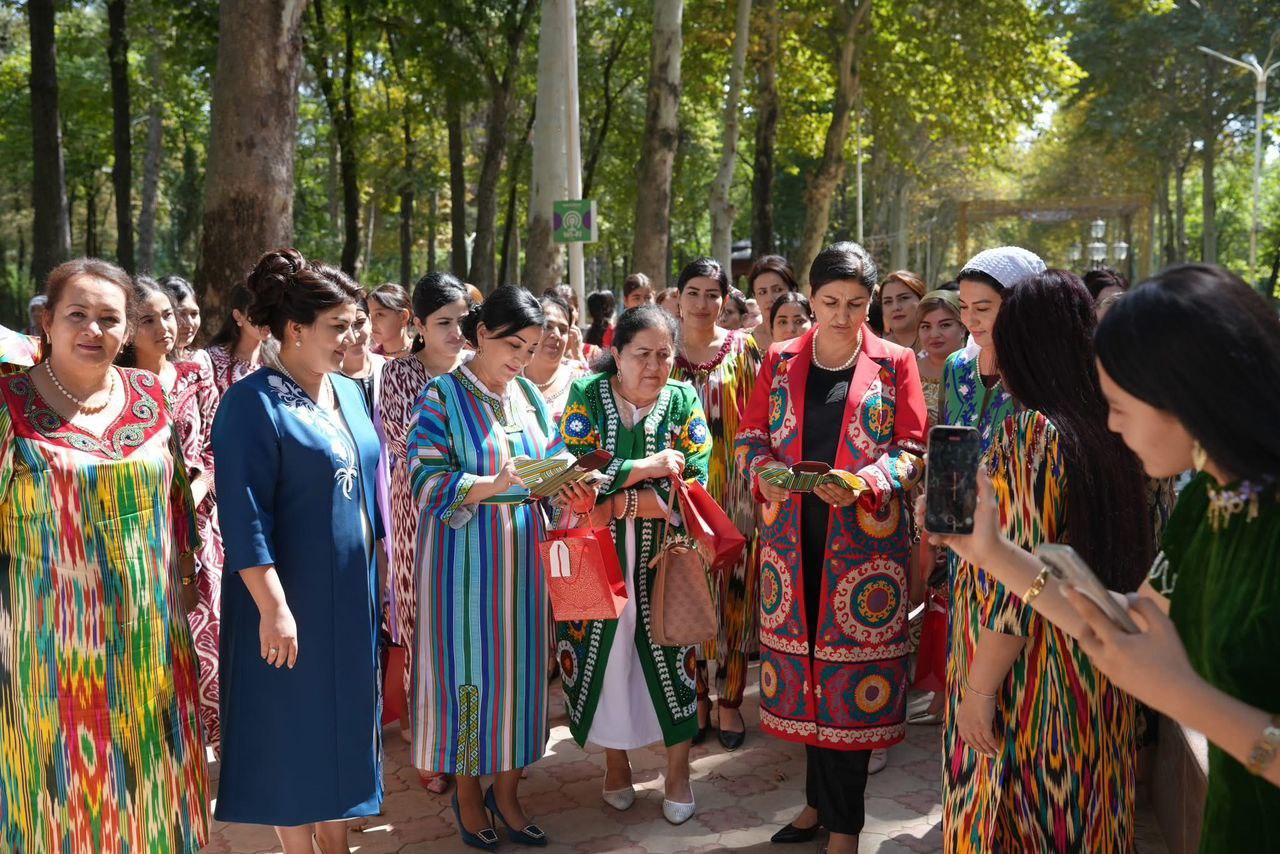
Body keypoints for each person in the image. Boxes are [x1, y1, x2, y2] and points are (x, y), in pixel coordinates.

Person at [928, 263, 1280, 853]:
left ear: (1185, 397)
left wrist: (1183, 695)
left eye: (1120, 402)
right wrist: (992, 553)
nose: (1110, 421)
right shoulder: (1210, 507)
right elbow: (1130, 622)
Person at [0, 259, 208, 850]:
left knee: (151, 792)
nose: (94, 329)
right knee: (61, 800)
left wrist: (187, 570)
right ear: (46, 321)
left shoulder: (147, 392)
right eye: (77, 315)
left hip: (151, 637)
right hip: (49, 650)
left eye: (110, 319)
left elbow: (175, 499)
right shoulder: (8, 405)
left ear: (129, 327)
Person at [942, 271, 1152, 850]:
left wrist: (979, 692)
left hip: (1031, 690)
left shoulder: (1031, 435)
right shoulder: (1106, 430)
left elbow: (1015, 587)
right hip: (1097, 680)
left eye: (999, 332)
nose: (987, 345)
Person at [736, 241, 926, 852]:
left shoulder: (896, 362)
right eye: (829, 302)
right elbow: (751, 435)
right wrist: (761, 468)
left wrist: (869, 480)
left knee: (850, 691)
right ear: (809, 299)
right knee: (809, 676)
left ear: (871, 302)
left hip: (865, 554)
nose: (843, 316)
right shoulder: (782, 357)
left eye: (856, 303)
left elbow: (913, 449)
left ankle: (845, 831)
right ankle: (816, 807)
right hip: (791, 546)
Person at [408, 286, 597, 850]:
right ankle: (469, 795)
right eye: (514, 344)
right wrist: (490, 486)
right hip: (462, 570)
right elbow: (422, 477)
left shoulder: (529, 398)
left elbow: (551, 458)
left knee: (522, 679)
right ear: (481, 333)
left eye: (534, 346)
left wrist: (572, 481)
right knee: (470, 682)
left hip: (524, 565)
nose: (522, 358)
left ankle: (509, 793)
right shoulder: (442, 395)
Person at [212, 249, 383, 853]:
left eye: (356, 324)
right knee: (292, 727)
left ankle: (336, 845)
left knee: (343, 724)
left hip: (351, 596)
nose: (352, 337)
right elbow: (244, 514)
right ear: (295, 329)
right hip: (287, 599)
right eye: (339, 326)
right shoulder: (250, 404)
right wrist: (273, 608)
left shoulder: (351, 393)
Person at [557, 305, 712, 825]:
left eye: (664, 355)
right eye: (641, 354)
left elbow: (692, 487)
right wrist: (645, 468)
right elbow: (576, 471)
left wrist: (618, 498)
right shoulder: (586, 396)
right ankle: (616, 763)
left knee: (671, 657)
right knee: (604, 660)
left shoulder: (683, 400)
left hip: (664, 558)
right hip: (591, 556)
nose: (653, 365)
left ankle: (678, 772)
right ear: (616, 353)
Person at [120, 276, 226, 751]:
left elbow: (215, 444)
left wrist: (199, 488)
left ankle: (222, 739)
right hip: (143, 529)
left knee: (212, 632)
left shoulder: (195, 372)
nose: (166, 326)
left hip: (202, 527)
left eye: (169, 314)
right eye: (148, 319)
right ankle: (169, 745)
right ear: (126, 329)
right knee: (157, 637)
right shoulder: (117, 385)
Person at [374, 271, 470, 795]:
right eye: (444, 323)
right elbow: (408, 446)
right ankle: (433, 748)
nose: (456, 332)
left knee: (468, 630)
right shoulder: (398, 375)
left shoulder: (478, 371)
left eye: (461, 320)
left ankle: (476, 743)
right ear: (418, 325)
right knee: (424, 634)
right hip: (420, 518)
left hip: (477, 517)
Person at [670, 256, 762, 750]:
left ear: (725, 300)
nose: (703, 303)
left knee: (733, 597)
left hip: (735, 497)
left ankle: (729, 700)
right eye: (694, 292)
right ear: (677, 297)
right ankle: (695, 696)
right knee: (686, 590)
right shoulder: (661, 351)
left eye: (713, 294)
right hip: (678, 498)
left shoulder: (744, 350)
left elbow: (765, 416)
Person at [525, 293, 589, 421]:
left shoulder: (581, 381)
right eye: (548, 326)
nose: (556, 335)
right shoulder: (510, 379)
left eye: (563, 330)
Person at [205, 284, 270, 395]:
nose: (268, 319)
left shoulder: (279, 356)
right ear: (238, 316)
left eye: (271, 312)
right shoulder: (211, 360)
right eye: (258, 313)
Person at [915, 290, 967, 424]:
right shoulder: (909, 372)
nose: (934, 334)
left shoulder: (979, 370)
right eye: (926, 326)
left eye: (945, 325)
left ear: (962, 328)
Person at [340, 296, 387, 412]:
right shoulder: (325, 379)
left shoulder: (391, 368)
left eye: (360, 323)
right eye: (342, 326)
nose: (354, 335)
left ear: (370, 321)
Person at [747, 254, 800, 353]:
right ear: (755, 297)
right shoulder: (741, 343)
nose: (770, 299)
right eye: (762, 292)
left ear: (793, 290)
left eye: (777, 290)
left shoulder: (813, 339)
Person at [879, 270, 926, 351]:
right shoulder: (875, 351)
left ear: (921, 299)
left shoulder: (939, 344)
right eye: (888, 302)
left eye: (904, 298)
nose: (895, 307)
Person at [368, 282, 416, 358]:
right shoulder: (371, 359)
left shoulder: (425, 355)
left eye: (379, 314)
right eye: (369, 316)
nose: (371, 322)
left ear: (403, 317)